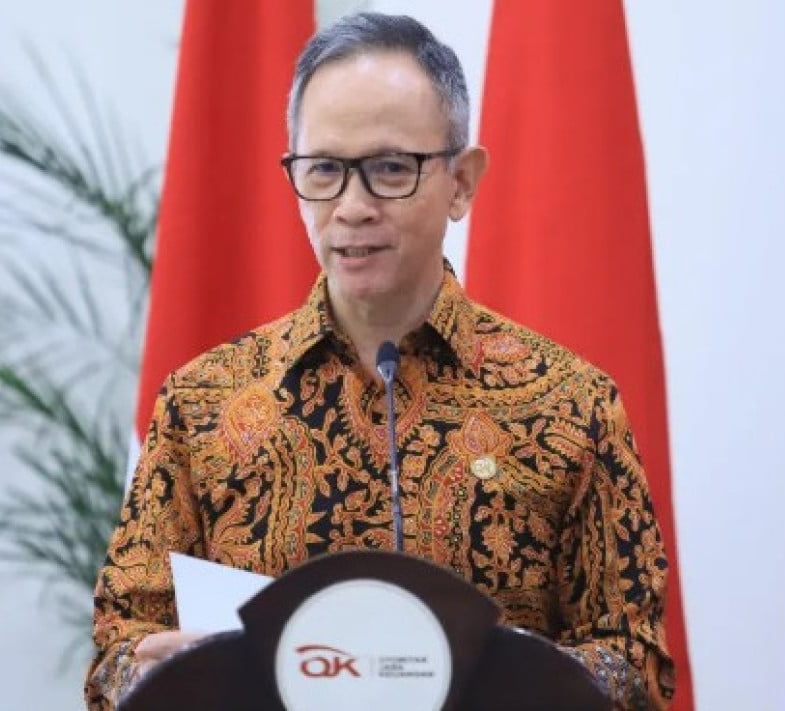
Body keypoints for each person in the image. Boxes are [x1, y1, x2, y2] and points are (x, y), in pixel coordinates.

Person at [87, 11, 674, 710]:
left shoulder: (570, 406)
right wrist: (159, 673)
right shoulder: (203, 403)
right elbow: (116, 651)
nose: (353, 206)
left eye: (391, 169)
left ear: (461, 181)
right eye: (324, 170)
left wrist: (513, 674)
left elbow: (637, 665)